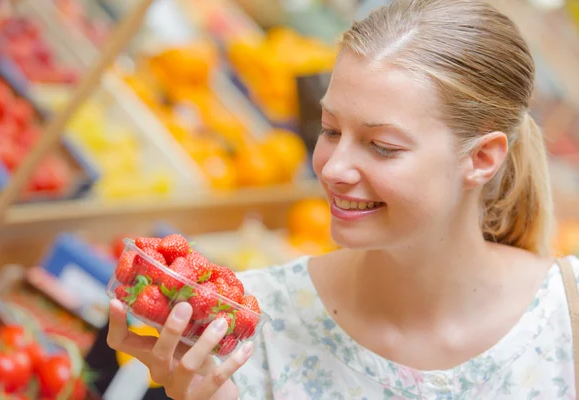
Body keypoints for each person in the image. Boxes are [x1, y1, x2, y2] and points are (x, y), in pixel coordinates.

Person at [106, 0, 579, 398]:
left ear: (481, 158)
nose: (331, 168)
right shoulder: (247, 329)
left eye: (382, 146)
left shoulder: (568, 316)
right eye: (330, 130)